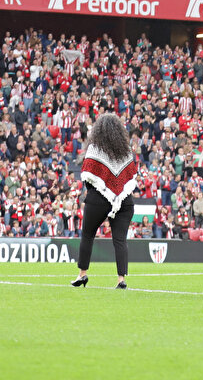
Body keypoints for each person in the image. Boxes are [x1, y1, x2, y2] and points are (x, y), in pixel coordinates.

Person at [73, 113, 137, 289]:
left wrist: (99, 191)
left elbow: (86, 176)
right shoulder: (126, 150)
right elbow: (130, 177)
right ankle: (121, 279)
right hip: (124, 200)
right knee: (120, 240)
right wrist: (116, 193)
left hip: (98, 198)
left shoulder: (95, 148)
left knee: (87, 235)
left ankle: (82, 275)